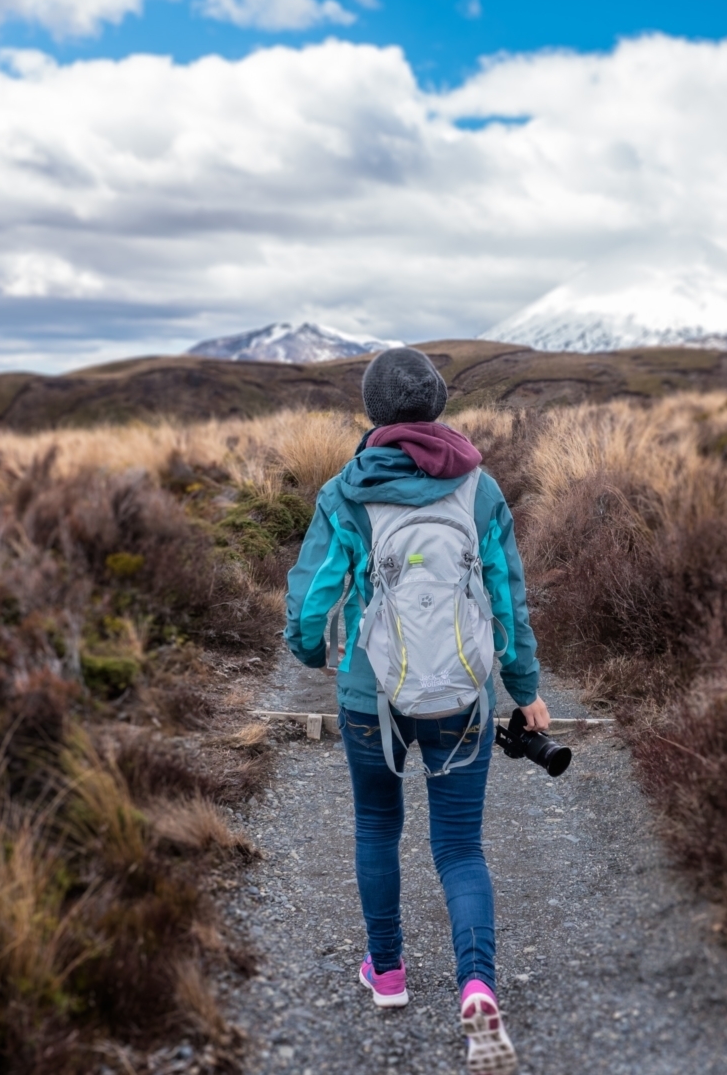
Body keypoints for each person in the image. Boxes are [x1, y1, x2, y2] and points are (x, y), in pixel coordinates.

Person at [284, 347, 542, 1075]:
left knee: (377, 826)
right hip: (462, 694)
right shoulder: (481, 488)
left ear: (374, 412)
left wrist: (313, 658)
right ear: (435, 404)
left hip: (373, 697)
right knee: (460, 847)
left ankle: (389, 975)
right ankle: (476, 985)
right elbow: (506, 599)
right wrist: (524, 689)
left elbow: (311, 606)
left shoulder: (345, 492)